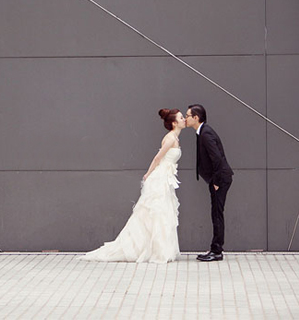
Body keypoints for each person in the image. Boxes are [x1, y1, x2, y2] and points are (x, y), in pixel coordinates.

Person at [79, 109, 185, 263]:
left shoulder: (175, 137)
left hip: (166, 178)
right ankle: (156, 250)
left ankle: (161, 249)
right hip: (160, 178)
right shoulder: (170, 138)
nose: (184, 120)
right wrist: (148, 174)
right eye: (181, 118)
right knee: (157, 213)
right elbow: (157, 158)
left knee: (163, 213)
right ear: (174, 123)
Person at [185, 104, 233, 262]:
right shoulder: (203, 132)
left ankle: (217, 251)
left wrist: (217, 182)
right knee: (216, 213)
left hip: (220, 179)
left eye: (188, 116)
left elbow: (217, 159)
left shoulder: (205, 134)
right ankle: (215, 248)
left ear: (196, 118)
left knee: (217, 214)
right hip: (218, 178)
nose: (186, 119)